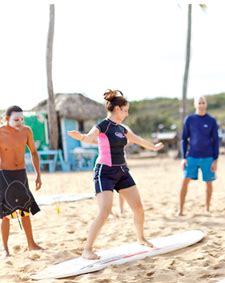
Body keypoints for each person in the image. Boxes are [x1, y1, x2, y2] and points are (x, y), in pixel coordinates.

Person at [67, 89, 163, 259]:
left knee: (138, 208)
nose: (127, 114)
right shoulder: (103, 126)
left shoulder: (122, 129)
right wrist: (81, 137)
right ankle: (87, 249)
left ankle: (140, 238)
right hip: (105, 172)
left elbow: (138, 139)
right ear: (117, 109)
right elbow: (89, 138)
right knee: (105, 211)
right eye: (125, 110)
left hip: (122, 172)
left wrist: (154, 147)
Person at [0, 105, 43, 257]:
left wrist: (38, 174)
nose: (19, 122)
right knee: (5, 213)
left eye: (21, 119)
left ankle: (31, 244)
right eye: (16, 119)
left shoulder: (26, 131)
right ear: (7, 118)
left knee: (25, 210)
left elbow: (33, 152)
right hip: (4, 176)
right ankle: (5, 248)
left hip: (21, 174)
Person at [177, 95, 219, 216]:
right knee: (184, 181)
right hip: (192, 156)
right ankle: (180, 209)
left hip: (208, 157)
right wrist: (183, 158)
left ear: (206, 104)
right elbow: (184, 139)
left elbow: (216, 141)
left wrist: (215, 159)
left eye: (203, 103)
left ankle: (207, 208)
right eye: (199, 103)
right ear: (195, 105)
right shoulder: (189, 119)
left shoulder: (211, 120)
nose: (201, 105)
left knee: (209, 183)